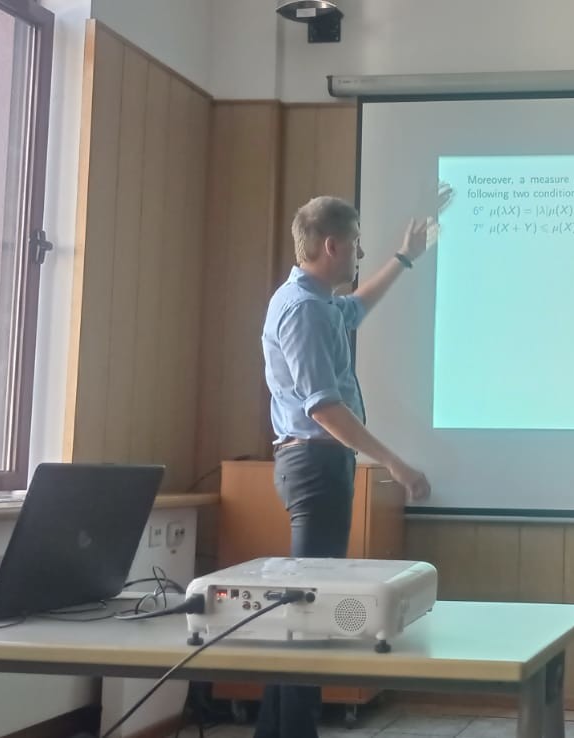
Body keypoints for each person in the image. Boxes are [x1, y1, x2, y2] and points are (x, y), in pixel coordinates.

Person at [254, 195, 436, 738]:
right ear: (331, 246)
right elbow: (324, 408)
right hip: (314, 464)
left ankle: (274, 732)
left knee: (303, 605)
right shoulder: (304, 310)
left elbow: (356, 308)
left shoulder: (319, 302)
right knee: (309, 608)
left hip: (318, 464)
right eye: (355, 243)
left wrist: (404, 259)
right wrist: (394, 463)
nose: (359, 253)